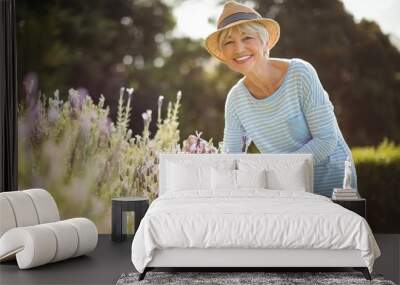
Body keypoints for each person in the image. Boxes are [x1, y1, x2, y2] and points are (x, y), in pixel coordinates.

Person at [204, 1, 357, 197]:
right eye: (228, 42)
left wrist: (276, 170)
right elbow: (231, 159)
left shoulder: (300, 74)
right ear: (224, 54)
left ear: (265, 42)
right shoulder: (235, 100)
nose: (239, 48)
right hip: (287, 191)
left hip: (332, 184)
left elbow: (326, 140)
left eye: (247, 37)